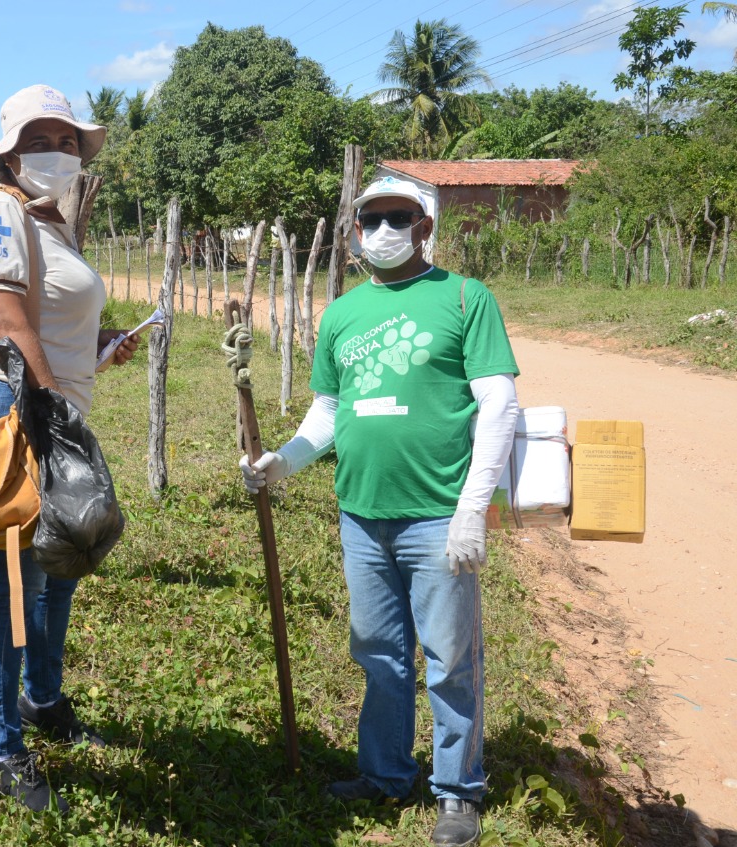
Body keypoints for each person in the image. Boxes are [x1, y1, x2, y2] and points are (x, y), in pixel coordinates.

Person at [240, 176, 520, 847]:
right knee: (378, 652)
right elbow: (328, 414)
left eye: (400, 216)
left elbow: (499, 403)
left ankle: (456, 791)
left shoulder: (463, 297)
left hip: (436, 514)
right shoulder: (341, 314)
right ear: (355, 230)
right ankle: (386, 772)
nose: (384, 228)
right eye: (372, 218)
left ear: (424, 226)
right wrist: (282, 460)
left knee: (450, 657)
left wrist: (472, 508)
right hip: (361, 515)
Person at [0, 84, 140, 814]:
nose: (57, 152)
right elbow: (3, 318)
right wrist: (48, 406)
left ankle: (42, 699)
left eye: (68, 140)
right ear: (11, 152)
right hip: (15, 404)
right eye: (41, 139)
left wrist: (96, 349)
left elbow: (52, 323)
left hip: (55, 403)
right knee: (11, 586)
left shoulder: (53, 223)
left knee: (64, 560)